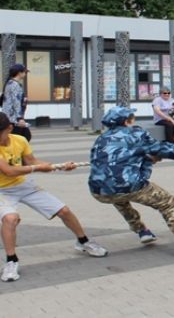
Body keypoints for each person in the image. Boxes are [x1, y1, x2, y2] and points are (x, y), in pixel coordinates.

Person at [88, 107, 174, 258]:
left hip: (99, 190)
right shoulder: (135, 133)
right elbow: (160, 148)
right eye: (132, 118)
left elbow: (118, 160)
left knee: (119, 196)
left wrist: (145, 158)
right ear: (127, 121)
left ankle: (142, 231)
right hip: (130, 186)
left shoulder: (102, 138)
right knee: (167, 202)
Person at [0, 112, 108, 282]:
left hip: (24, 185)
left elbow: (31, 161)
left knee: (64, 211)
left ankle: (83, 241)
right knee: (10, 219)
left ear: (9, 128)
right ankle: (11, 261)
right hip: (2, 191)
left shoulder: (19, 141)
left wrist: (58, 166)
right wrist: (39, 168)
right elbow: (9, 171)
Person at [1, 63, 31, 142]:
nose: (25, 74)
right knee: (24, 137)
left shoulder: (9, 83)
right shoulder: (15, 85)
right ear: (19, 73)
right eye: (25, 72)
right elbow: (16, 102)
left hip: (8, 117)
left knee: (21, 138)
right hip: (13, 119)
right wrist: (20, 118)